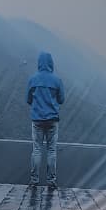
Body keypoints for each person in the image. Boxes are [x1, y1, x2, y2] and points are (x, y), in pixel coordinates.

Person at [26, 51, 65, 187]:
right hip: (52, 119)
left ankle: (34, 180)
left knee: (37, 149)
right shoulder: (57, 80)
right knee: (51, 150)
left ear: (39, 63)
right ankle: (51, 181)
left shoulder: (33, 79)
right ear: (51, 63)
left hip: (37, 119)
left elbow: (28, 100)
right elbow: (61, 99)